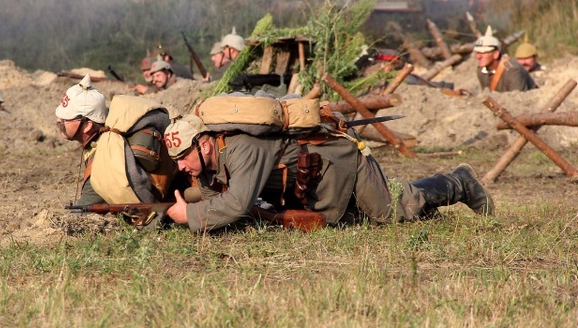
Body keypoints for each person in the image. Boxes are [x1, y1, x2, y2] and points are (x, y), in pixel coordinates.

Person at [163, 114, 494, 233]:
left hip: (337, 162)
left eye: (182, 157)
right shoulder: (205, 166)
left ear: (204, 145)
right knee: (352, 221)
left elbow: (235, 204)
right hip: (314, 184)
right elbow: (218, 205)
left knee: (391, 210)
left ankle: (459, 183)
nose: (180, 167)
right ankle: (428, 211)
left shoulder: (242, 148)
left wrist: (189, 214)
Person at [55, 76, 178, 212]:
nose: (58, 120)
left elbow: (82, 209)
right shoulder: (105, 132)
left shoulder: (103, 159)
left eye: (66, 119)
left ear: (87, 126)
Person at [474, 26, 537, 92]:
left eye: (484, 53)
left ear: (496, 54)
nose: (479, 56)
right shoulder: (481, 71)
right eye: (478, 52)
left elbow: (518, 98)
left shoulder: (513, 71)